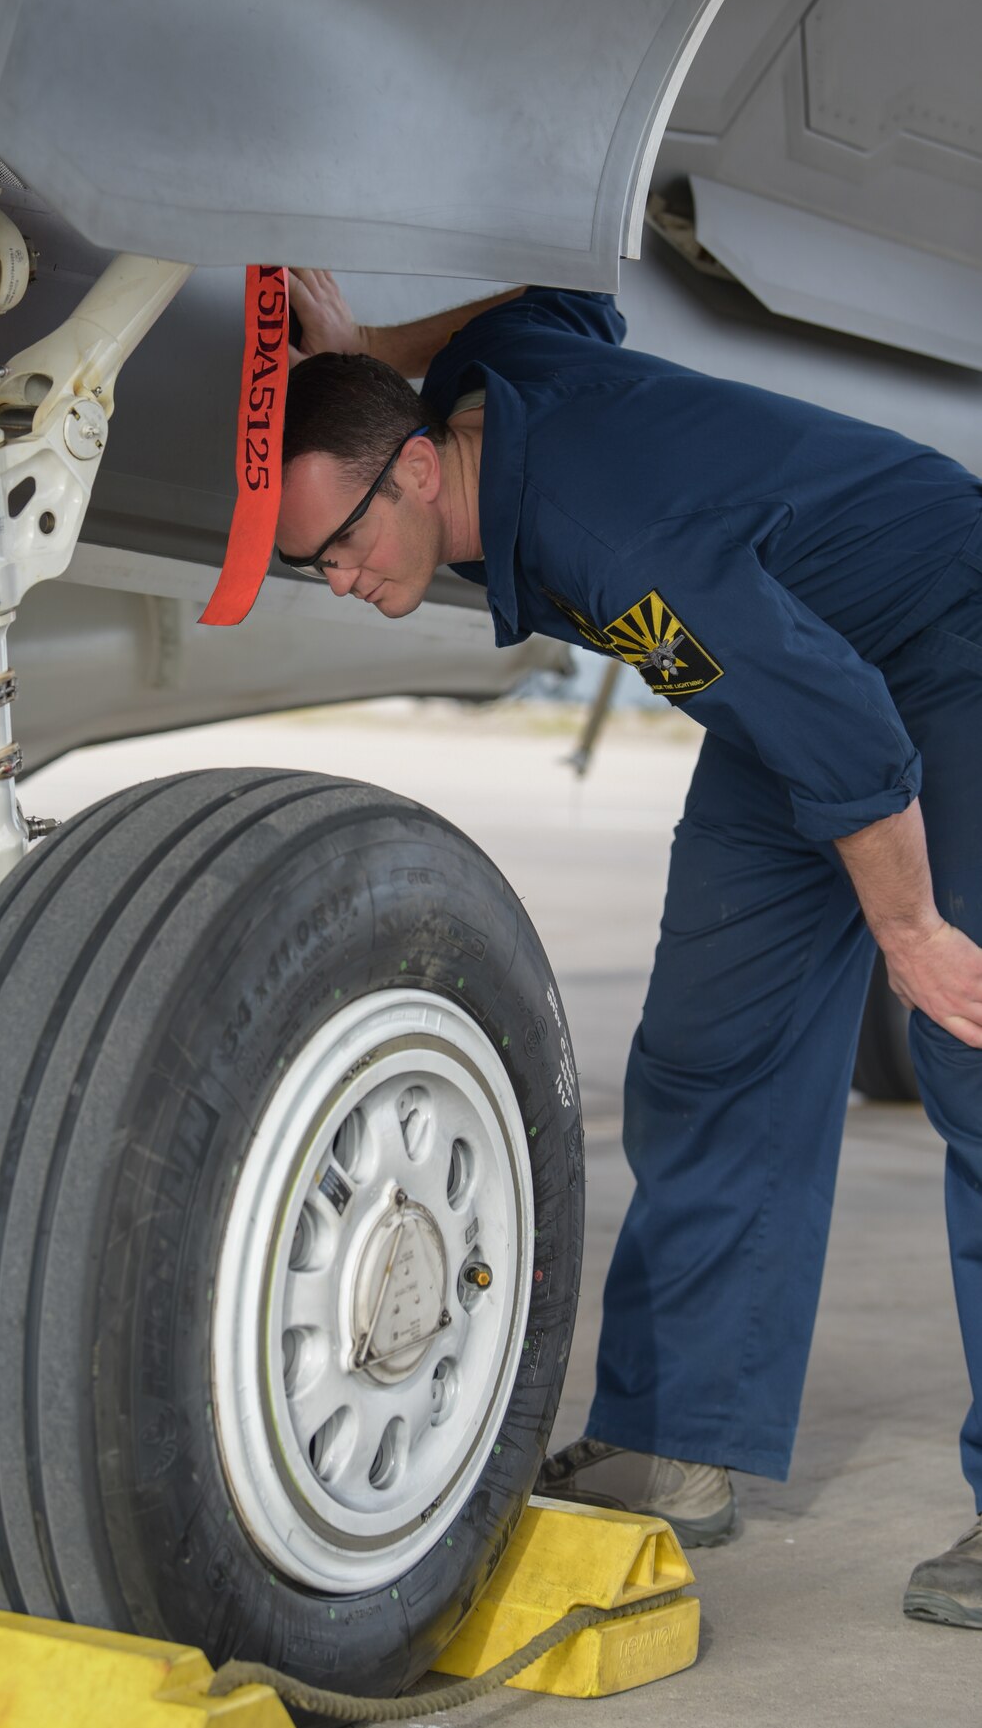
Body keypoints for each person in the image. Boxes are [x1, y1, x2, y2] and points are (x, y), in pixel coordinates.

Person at [273, 267, 982, 1628]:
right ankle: (678, 1436)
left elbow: (847, 738)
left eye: (344, 542)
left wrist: (913, 934)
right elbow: (562, 300)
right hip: (799, 670)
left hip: (946, 636)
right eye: (313, 564)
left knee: (971, 1053)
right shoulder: (491, 385)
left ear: (419, 469)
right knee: (711, 1055)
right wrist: (368, 348)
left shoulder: (617, 543)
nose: (339, 578)